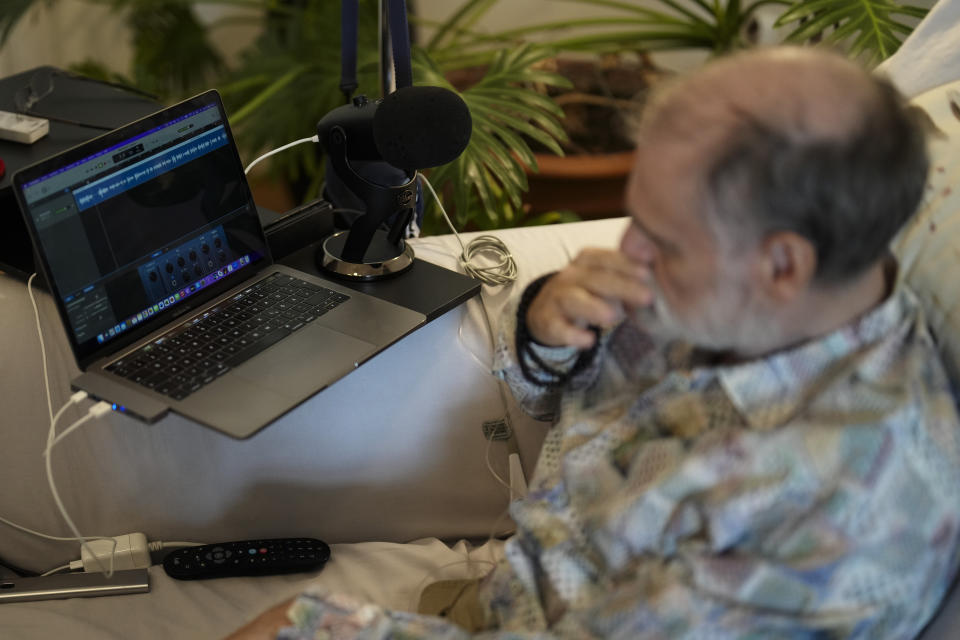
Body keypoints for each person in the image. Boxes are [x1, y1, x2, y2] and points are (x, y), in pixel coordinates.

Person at [227, 45, 960, 639]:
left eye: (664, 239)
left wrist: (318, 628)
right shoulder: (750, 299)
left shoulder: (830, 523)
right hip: (517, 586)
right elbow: (551, 394)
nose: (628, 250)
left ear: (783, 264)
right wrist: (547, 326)